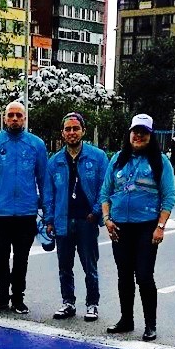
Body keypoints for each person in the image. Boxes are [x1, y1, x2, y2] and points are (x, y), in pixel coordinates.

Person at [100, 113, 175, 342]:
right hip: (120, 227)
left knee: (143, 275)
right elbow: (105, 192)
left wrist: (160, 226)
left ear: (150, 136)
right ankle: (126, 320)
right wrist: (107, 219)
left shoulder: (160, 161)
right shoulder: (118, 160)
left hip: (146, 227)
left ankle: (150, 324)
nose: (139, 136)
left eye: (144, 132)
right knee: (124, 275)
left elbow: (169, 196)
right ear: (130, 133)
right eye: (135, 131)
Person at [0, 100, 48, 314]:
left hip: (26, 212)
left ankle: (18, 297)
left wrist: (47, 211)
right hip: (0, 212)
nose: (15, 119)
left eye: (19, 115)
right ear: (5, 118)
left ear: (25, 119)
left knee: (21, 258)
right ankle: (1, 295)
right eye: (11, 115)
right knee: (0, 256)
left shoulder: (36, 145)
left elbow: (43, 179)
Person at [43, 112, 108, 322]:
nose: (72, 133)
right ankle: (68, 302)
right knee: (64, 266)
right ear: (62, 133)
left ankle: (92, 304)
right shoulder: (54, 162)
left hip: (86, 221)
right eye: (68, 129)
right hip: (63, 221)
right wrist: (49, 219)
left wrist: (96, 212)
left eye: (75, 129)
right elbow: (48, 194)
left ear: (83, 131)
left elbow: (105, 189)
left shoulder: (97, 157)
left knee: (90, 265)